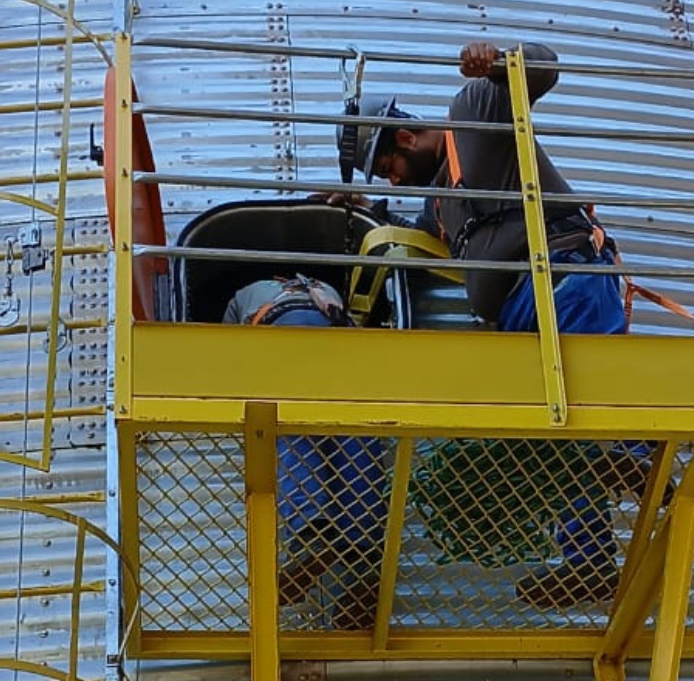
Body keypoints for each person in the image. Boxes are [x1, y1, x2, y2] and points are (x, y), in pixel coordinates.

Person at [335, 41, 655, 609]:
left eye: (389, 169)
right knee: (559, 442)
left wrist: (504, 60)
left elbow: (543, 69)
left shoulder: (472, 111)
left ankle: (641, 455)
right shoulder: (438, 204)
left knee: (596, 406)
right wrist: (357, 203)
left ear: (406, 138)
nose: (394, 182)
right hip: (517, 316)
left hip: (563, 276)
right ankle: (589, 561)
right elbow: (407, 227)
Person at [222, 275, 386, 630]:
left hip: (281, 334)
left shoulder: (244, 296)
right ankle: (364, 555)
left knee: (295, 431)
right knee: (356, 436)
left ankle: (311, 531)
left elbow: (229, 354)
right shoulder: (324, 288)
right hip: (339, 341)